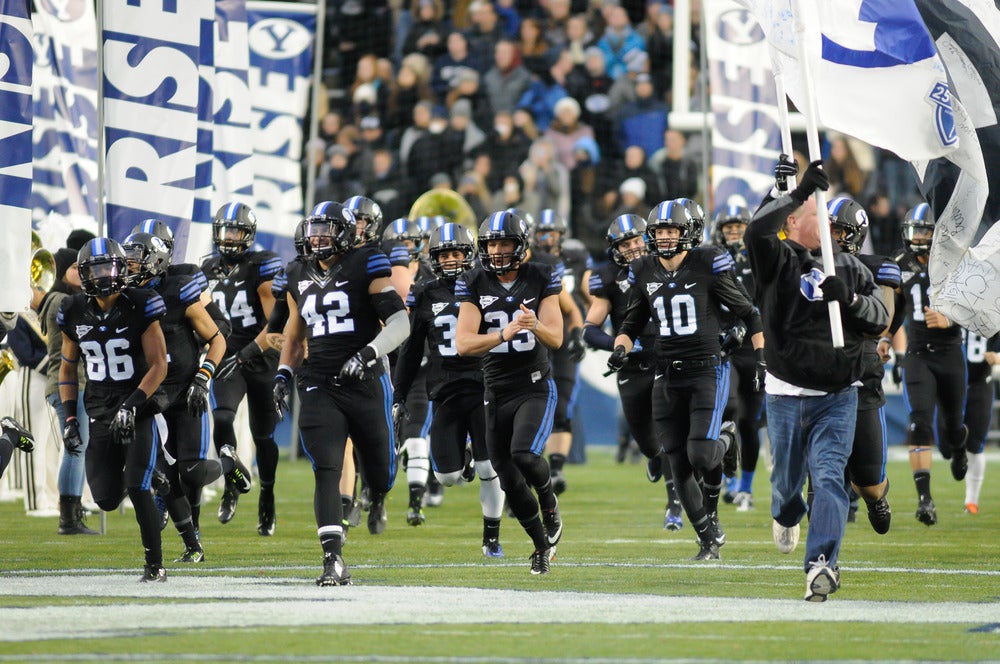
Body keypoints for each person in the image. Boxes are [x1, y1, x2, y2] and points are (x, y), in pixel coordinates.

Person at [745, 161, 889, 601]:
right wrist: (789, 191)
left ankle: (821, 564)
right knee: (788, 491)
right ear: (792, 222)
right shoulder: (777, 260)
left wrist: (848, 299)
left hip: (837, 395)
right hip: (787, 391)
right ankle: (786, 514)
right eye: (815, 215)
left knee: (829, 479)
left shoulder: (850, 267)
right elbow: (755, 233)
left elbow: (880, 317)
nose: (826, 224)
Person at [609, 201, 760, 561]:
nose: (663, 237)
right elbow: (632, 321)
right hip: (667, 372)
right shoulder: (643, 269)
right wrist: (619, 348)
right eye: (659, 231)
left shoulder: (707, 262)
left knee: (702, 454)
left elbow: (749, 313)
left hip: (707, 368)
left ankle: (727, 436)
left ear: (688, 233)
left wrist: (761, 358)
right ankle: (708, 538)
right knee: (676, 465)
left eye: (671, 231)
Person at [273, 201, 409, 586]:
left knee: (381, 473)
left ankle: (377, 493)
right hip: (319, 381)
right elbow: (295, 335)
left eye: (326, 230)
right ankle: (333, 558)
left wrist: (370, 353)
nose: (317, 237)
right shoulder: (297, 273)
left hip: (365, 380)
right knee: (327, 466)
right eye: (313, 229)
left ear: (346, 234)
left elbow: (400, 322)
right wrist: (283, 375)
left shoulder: (366, 262)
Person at [122, 232, 251, 562]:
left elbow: (218, 336)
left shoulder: (180, 290)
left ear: (157, 260)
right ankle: (193, 544)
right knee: (165, 475)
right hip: (150, 395)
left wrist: (203, 377)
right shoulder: (124, 296)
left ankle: (227, 463)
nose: (130, 265)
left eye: (137, 257)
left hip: (184, 390)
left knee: (190, 472)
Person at [455, 210, 564, 574]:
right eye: (491, 243)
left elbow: (557, 338)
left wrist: (533, 325)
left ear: (520, 245)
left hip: (534, 384)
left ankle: (549, 500)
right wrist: (501, 334)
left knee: (525, 455)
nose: (497, 250)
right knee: (506, 475)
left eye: (504, 243)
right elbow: (464, 344)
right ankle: (541, 546)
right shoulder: (473, 281)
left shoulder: (542, 276)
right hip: (495, 388)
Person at [57, 237, 170, 581]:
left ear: (122, 269)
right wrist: (71, 417)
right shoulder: (72, 310)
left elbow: (158, 365)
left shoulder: (141, 303)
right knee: (105, 498)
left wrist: (133, 405)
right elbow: (66, 368)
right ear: (85, 274)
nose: (106, 275)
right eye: (99, 268)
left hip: (137, 404)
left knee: (136, 485)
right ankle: (156, 477)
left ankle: (155, 565)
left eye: (111, 266)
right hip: (99, 409)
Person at [393, 223, 506, 555]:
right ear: (434, 259)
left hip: (483, 385)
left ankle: (491, 537)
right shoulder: (425, 292)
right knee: (446, 477)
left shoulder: (486, 286)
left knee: (489, 468)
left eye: (457, 253)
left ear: (470, 255)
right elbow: (411, 351)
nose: (452, 260)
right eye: (445, 254)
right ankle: (465, 455)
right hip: (444, 390)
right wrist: (399, 395)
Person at [584, 213, 683, 530]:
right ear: (616, 248)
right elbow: (589, 329)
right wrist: (619, 345)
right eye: (626, 243)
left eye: (637, 238)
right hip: (631, 365)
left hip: (664, 358)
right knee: (646, 440)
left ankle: (674, 505)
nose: (633, 246)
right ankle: (653, 456)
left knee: (669, 435)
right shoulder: (608, 277)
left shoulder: (669, 265)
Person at [202, 203, 283, 535]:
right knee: (222, 416)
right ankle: (231, 486)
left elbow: (276, 323)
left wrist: (248, 352)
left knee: (263, 435)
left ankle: (267, 495)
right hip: (227, 354)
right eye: (224, 230)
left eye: (235, 231)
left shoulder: (261, 267)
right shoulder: (207, 268)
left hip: (261, 356)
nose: (228, 237)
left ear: (248, 235)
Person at [887, 203, 968, 526]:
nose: (919, 237)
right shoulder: (899, 263)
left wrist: (950, 319)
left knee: (952, 426)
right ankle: (925, 500)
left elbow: (973, 304)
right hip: (918, 353)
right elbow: (894, 311)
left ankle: (959, 449)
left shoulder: (955, 260)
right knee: (919, 421)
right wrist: (885, 340)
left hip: (950, 353)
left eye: (925, 230)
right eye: (915, 230)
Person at [826, 197, 895, 535]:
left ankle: (874, 497)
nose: (830, 234)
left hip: (861, 374)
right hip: (818, 376)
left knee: (867, 480)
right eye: (826, 227)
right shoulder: (803, 263)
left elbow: (882, 322)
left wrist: (849, 300)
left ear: (854, 233)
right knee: (821, 473)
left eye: (838, 229)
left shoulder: (875, 266)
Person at [710, 205, 765, 512]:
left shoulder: (758, 259)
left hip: (753, 347)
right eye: (728, 227)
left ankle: (745, 486)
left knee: (750, 422)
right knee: (726, 411)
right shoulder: (712, 260)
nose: (733, 231)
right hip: (724, 348)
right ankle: (729, 478)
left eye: (738, 226)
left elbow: (765, 305)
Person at [958, 330, 998, 514]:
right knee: (945, 442)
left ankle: (971, 501)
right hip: (952, 383)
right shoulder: (952, 307)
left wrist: (998, 356)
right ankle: (957, 455)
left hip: (981, 382)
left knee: (976, 444)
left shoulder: (992, 310)